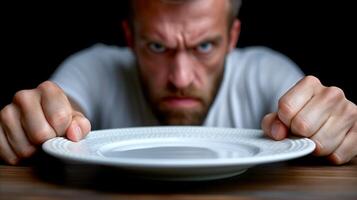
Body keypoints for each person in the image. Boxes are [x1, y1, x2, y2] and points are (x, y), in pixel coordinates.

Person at [0, 0, 356, 165]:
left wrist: (331, 124)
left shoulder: (268, 72)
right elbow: (62, 108)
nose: (181, 78)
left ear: (232, 37)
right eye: (157, 46)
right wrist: (41, 122)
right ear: (130, 37)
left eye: (204, 45)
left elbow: (317, 117)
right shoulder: (93, 67)